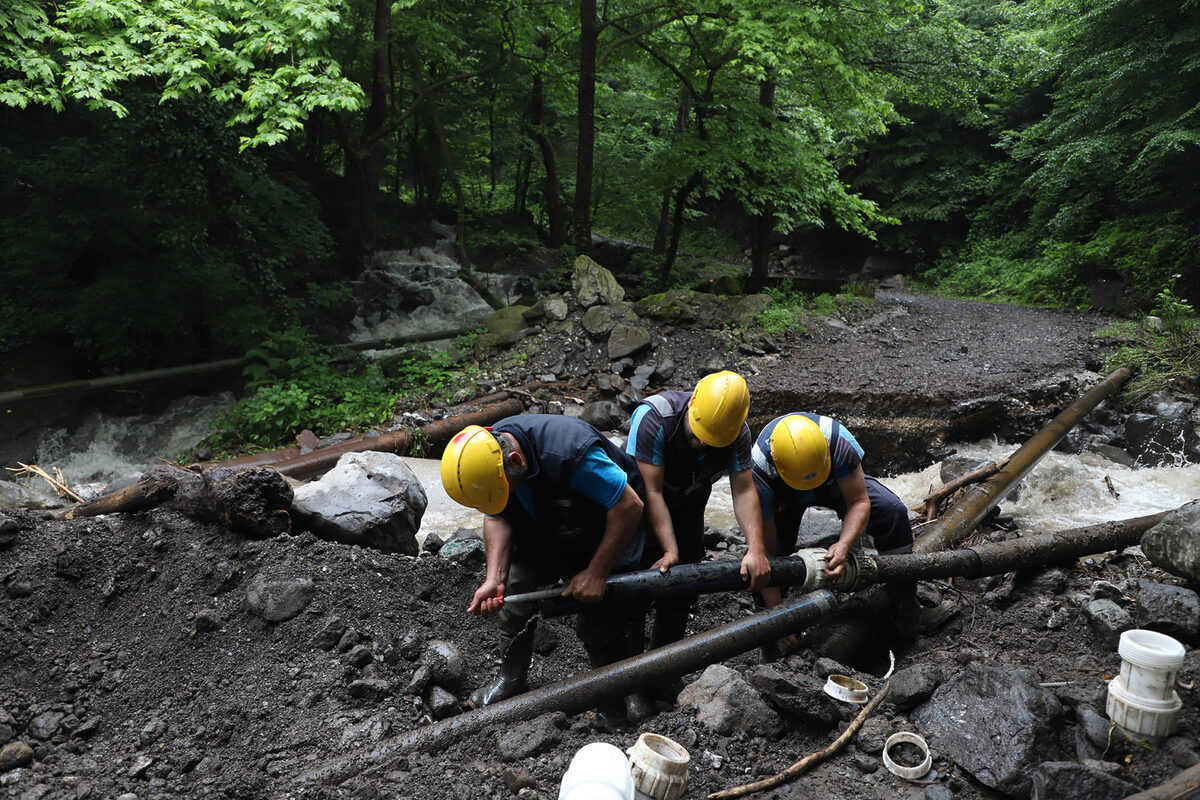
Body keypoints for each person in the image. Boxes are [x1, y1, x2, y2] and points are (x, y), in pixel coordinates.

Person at [440, 414, 648, 728]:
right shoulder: (487, 459)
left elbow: (629, 505)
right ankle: (511, 681)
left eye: (506, 488)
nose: (503, 496)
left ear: (516, 459)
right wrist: (494, 579)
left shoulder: (571, 454)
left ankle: (613, 705)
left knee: (599, 621)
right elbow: (496, 515)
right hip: (549, 522)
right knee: (514, 592)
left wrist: (596, 572)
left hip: (608, 525)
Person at [624, 370, 772, 660]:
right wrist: (668, 550)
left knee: (682, 587)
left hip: (690, 506)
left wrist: (757, 549)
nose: (705, 443)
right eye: (702, 435)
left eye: (714, 440)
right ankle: (628, 675)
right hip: (638, 507)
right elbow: (650, 492)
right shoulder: (655, 418)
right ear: (692, 402)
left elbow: (743, 491)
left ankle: (665, 670)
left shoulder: (737, 433)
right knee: (634, 589)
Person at [751, 413, 914, 655]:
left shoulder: (840, 444)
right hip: (783, 492)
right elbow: (766, 551)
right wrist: (780, 622)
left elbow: (859, 501)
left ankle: (905, 609)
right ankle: (771, 635)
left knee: (892, 513)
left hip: (831, 482)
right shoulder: (760, 470)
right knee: (765, 562)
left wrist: (844, 544)